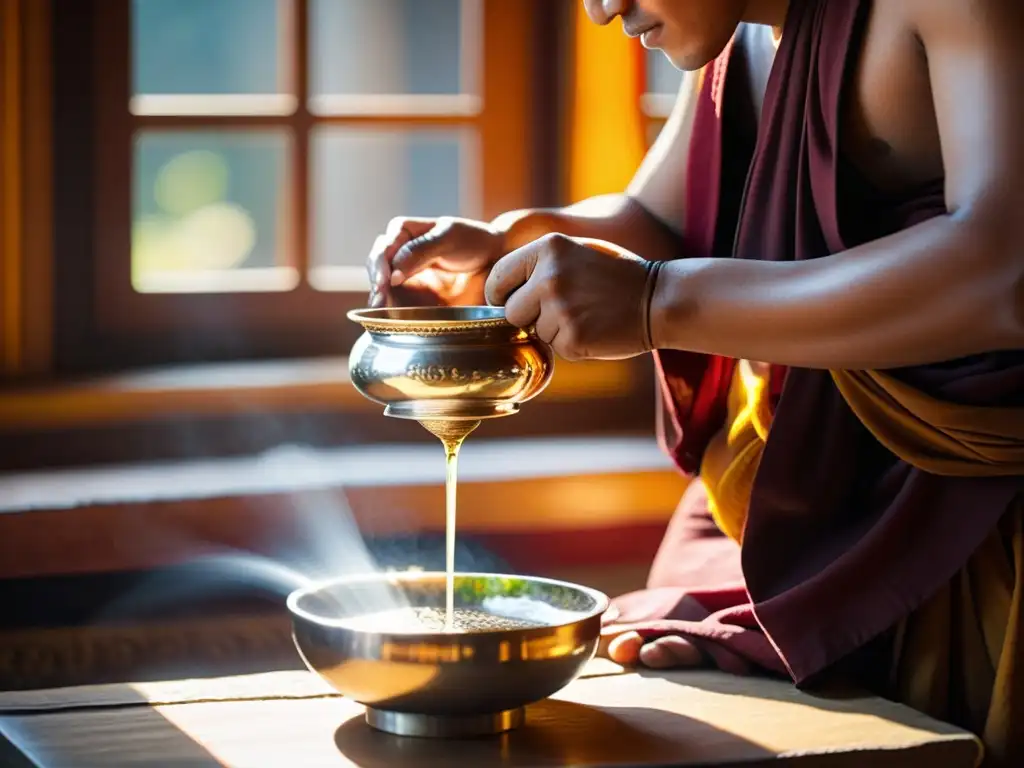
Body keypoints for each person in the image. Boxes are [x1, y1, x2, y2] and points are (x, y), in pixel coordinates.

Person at [366, 0, 1024, 763]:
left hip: (966, 517)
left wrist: (656, 302)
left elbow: (1004, 270)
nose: (602, 9)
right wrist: (510, 249)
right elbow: (661, 216)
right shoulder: (736, 30)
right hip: (797, 498)